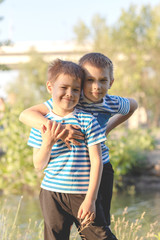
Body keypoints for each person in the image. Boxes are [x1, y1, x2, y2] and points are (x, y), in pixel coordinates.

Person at [20, 52, 138, 238]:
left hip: (97, 171)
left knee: (97, 226)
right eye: (89, 80)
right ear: (81, 81)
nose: (96, 87)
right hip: (58, 184)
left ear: (110, 82)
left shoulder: (107, 105)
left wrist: (106, 128)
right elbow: (26, 115)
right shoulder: (67, 101)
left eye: (102, 81)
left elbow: (133, 105)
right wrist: (57, 132)